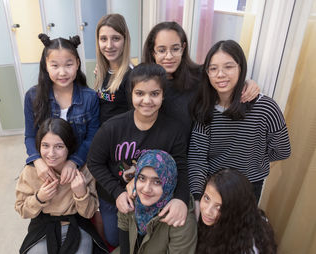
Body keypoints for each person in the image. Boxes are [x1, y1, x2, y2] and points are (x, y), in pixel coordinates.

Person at [87, 63, 190, 247]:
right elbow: (94, 162)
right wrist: (117, 192)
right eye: (140, 93)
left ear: (163, 95)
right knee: (114, 240)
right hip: (115, 195)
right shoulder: (112, 127)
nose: (147, 100)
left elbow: (181, 167)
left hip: (155, 197)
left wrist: (181, 200)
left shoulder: (174, 130)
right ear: (131, 94)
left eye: (155, 94)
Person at [188, 40, 291, 215]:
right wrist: (197, 197)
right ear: (207, 73)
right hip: (211, 188)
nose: (220, 74)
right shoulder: (204, 108)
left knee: (236, 237)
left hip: (248, 188)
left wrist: (254, 160)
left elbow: (282, 150)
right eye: (213, 69)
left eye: (228, 67)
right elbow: (198, 157)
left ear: (240, 68)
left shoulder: (266, 108)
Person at [142, 21, 260, 139]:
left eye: (175, 48)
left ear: (183, 48)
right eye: (162, 50)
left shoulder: (199, 75)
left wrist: (247, 82)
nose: (169, 56)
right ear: (153, 52)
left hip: (191, 152)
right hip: (152, 152)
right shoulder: (140, 80)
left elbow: (221, 77)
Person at [15, 118, 108, 254]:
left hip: (77, 224)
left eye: (59, 146)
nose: (51, 154)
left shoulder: (84, 170)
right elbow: (22, 211)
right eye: (45, 146)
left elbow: (88, 213)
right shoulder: (30, 171)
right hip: (43, 226)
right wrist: (39, 198)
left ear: (69, 147)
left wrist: (81, 194)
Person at [24, 33, 99, 184]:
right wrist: (37, 161)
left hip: (80, 169)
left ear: (77, 64)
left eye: (68, 64)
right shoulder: (32, 96)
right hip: (47, 168)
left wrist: (73, 161)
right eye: (55, 65)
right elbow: (30, 136)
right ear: (46, 66)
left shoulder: (90, 97)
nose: (62, 72)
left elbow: (92, 138)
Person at [116, 150, 197, 254]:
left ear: (169, 183)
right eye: (142, 178)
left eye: (157, 182)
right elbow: (124, 233)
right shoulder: (132, 198)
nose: (146, 189)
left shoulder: (181, 220)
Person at [196, 169, 277, 254]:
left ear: (236, 209)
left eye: (219, 207)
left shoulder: (249, 245)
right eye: (207, 198)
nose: (207, 211)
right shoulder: (201, 220)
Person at [95, 13, 133, 124]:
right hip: (103, 136)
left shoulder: (132, 76)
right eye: (103, 39)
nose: (109, 45)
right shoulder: (101, 72)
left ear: (125, 40)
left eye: (116, 38)